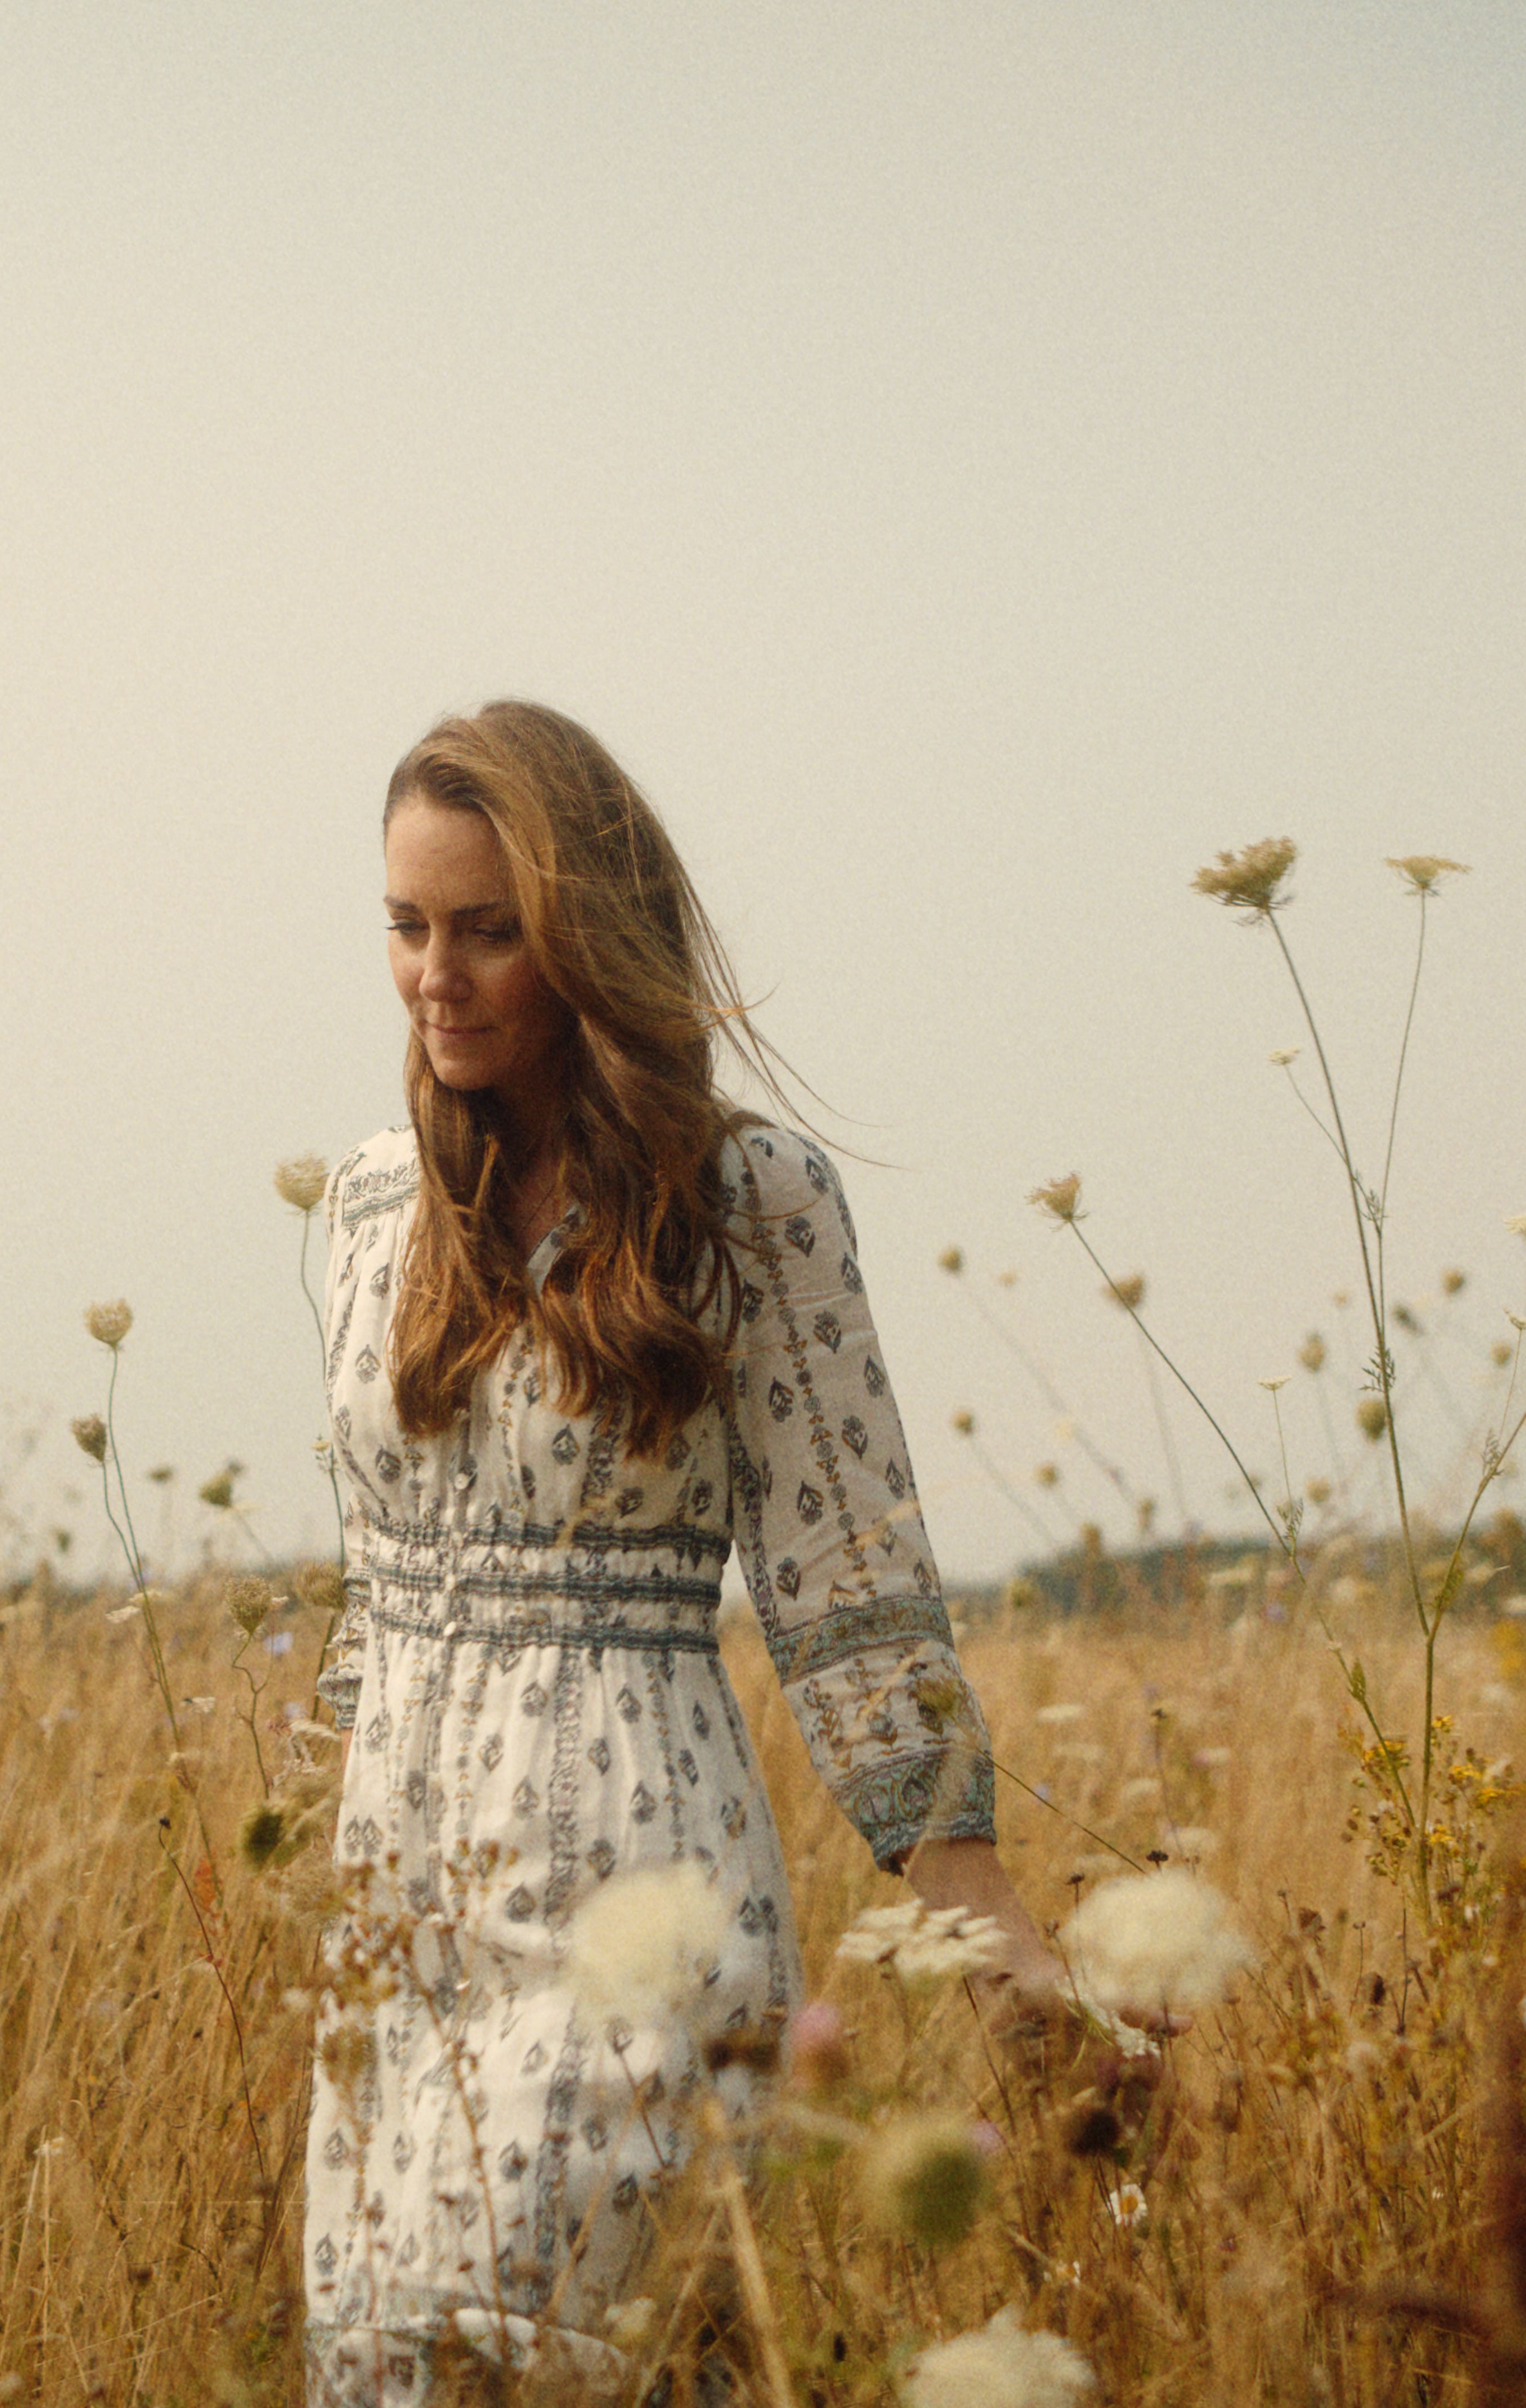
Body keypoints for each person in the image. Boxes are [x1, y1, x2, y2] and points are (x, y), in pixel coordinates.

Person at [305, 699, 1071, 2398]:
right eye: (406, 926)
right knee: (390, 2360)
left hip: (636, 1883)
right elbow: (370, 1592)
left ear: (587, 940)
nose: (436, 974)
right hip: (402, 1906)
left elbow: (847, 1588)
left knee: (583, 2349)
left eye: (487, 932)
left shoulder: (753, 1204)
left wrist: (988, 1929)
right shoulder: (365, 1207)